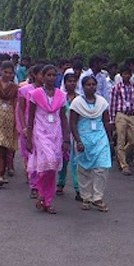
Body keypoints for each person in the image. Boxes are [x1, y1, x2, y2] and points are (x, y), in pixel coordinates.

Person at [26, 64, 69, 214]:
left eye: (54, 75)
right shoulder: (36, 94)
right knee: (46, 164)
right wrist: (29, 137)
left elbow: (63, 118)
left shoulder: (61, 95)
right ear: (42, 77)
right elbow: (30, 117)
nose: (51, 78)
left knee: (52, 167)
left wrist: (66, 139)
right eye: (48, 75)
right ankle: (41, 194)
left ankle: (47, 200)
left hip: (56, 133)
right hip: (40, 132)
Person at [70, 75, 113, 212]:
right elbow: (73, 123)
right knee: (84, 169)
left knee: (102, 167)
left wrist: (109, 138)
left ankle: (98, 197)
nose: (91, 87)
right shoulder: (77, 103)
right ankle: (86, 197)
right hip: (84, 138)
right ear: (83, 87)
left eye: (93, 84)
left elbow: (106, 120)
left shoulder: (102, 102)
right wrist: (78, 141)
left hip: (100, 137)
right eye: (88, 85)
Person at [16, 64, 45, 198]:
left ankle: (43, 183)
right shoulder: (25, 90)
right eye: (42, 74)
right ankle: (34, 185)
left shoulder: (49, 91)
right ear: (34, 75)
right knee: (30, 156)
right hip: (29, 124)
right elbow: (21, 110)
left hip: (44, 127)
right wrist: (24, 127)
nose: (44, 78)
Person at [109, 65, 134, 175]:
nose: (127, 76)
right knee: (121, 139)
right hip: (121, 114)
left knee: (132, 141)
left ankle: (120, 156)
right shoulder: (116, 87)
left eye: (129, 74)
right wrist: (112, 119)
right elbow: (112, 104)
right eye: (125, 74)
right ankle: (124, 165)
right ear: (121, 75)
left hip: (131, 115)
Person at [56, 67, 82, 201]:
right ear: (65, 83)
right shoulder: (60, 97)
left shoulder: (80, 99)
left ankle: (78, 189)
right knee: (63, 159)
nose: (72, 83)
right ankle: (60, 183)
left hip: (76, 132)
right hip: (61, 132)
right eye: (69, 81)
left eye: (74, 81)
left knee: (76, 161)